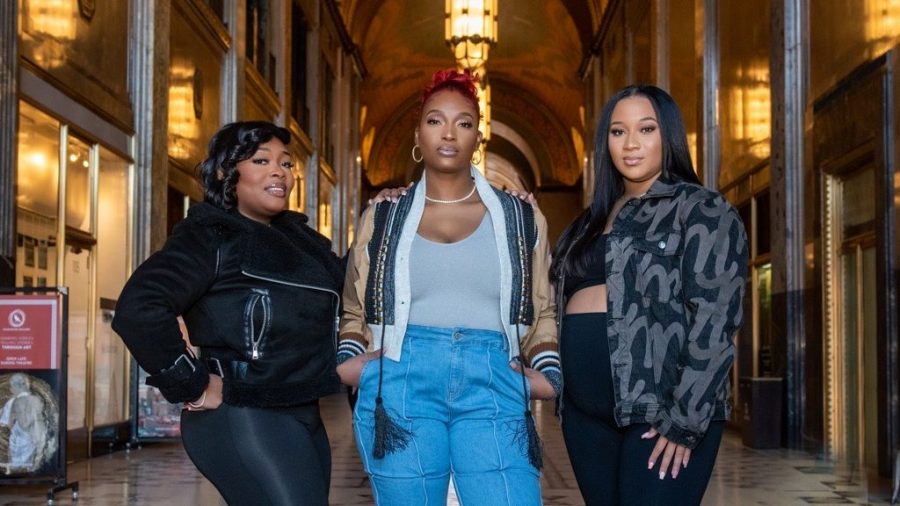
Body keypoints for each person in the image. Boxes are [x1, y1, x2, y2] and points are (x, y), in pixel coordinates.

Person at [337, 69, 560, 506]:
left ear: (479, 136)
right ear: (418, 132)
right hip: (401, 380)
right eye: (436, 120)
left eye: (464, 122)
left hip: (494, 379)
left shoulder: (520, 218)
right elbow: (353, 307)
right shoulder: (383, 216)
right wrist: (350, 366)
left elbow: (543, 306)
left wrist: (548, 376)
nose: (449, 133)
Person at [112, 121, 344, 505]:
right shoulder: (210, 235)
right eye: (261, 160)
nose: (279, 172)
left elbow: (351, 284)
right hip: (241, 413)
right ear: (226, 172)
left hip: (304, 410)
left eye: (286, 164)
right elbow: (139, 307)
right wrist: (193, 384)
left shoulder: (304, 242)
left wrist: (386, 215)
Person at [551, 85, 748, 506]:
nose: (631, 143)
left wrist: (686, 419)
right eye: (618, 132)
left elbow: (715, 320)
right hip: (587, 418)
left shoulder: (702, 209)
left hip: (663, 412)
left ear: (669, 135)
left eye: (646, 128)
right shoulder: (591, 218)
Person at [0, 373, 45, 471]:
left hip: (19, 439)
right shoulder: (37, 399)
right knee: (33, 464)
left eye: (11, 387)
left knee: (17, 466)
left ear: (14, 387)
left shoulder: (12, 402)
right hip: (36, 436)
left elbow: (6, 422)